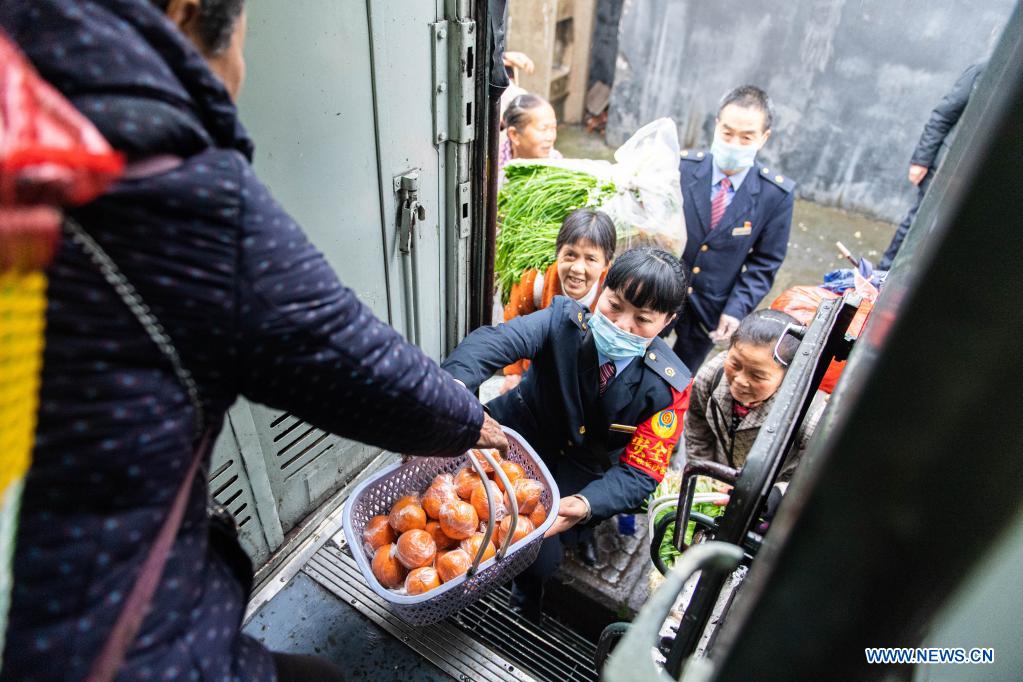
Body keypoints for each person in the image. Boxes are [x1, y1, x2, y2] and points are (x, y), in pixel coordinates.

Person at [0, 1, 507, 680]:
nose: (237, 71)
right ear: (183, 14)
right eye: (241, 39)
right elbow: (348, 358)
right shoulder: (173, 184)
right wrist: (469, 421)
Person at [442, 247, 693, 620]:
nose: (622, 325)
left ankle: (523, 607)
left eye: (642, 319)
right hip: (510, 440)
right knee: (456, 518)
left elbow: (641, 471)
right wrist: (451, 391)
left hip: (575, 475)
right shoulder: (561, 321)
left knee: (538, 559)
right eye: (614, 304)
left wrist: (586, 504)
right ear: (603, 287)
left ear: (667, 321)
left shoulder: (668, 386)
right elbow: (493, 344)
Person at [672, 85, 795, 372]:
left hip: (711, 307)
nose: (734, 143)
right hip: (663, 289)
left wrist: (736, 309)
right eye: (727, 133)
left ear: (764, 138)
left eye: (746, 137)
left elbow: (764, 262)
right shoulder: (682, 167)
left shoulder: (774, 194)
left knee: (679, 377)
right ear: (716, 126)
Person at [684, 309, 825, 512]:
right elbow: (697, 426)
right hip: (717, 484)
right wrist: (706, 474)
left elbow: (814, 474)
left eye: (758, 376)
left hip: (766, 502)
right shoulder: (710, 378)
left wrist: (773, 497)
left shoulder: (810, 416)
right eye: (735, 364)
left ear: (789, 375)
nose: (740, 381)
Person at [878, 62, 986, 270]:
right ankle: (883, 275)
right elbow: (943, 115)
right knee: (918, 224)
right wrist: (921, 160)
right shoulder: (983, 70)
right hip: (948, 169)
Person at [500, 208, 617, 394]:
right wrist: (513, 374)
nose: (578, 268)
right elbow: (513, 321)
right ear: (558, 252)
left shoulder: (613, 295)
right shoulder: (534, 282)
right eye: (570, 254)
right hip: (537, 371)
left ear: (606, 264)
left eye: (591, 259)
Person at [498, 92, 563, 174]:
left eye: (553, 128)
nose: (550, 137)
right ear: (514, 135)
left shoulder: (558, 166)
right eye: (543, 129)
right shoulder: (494, 166)